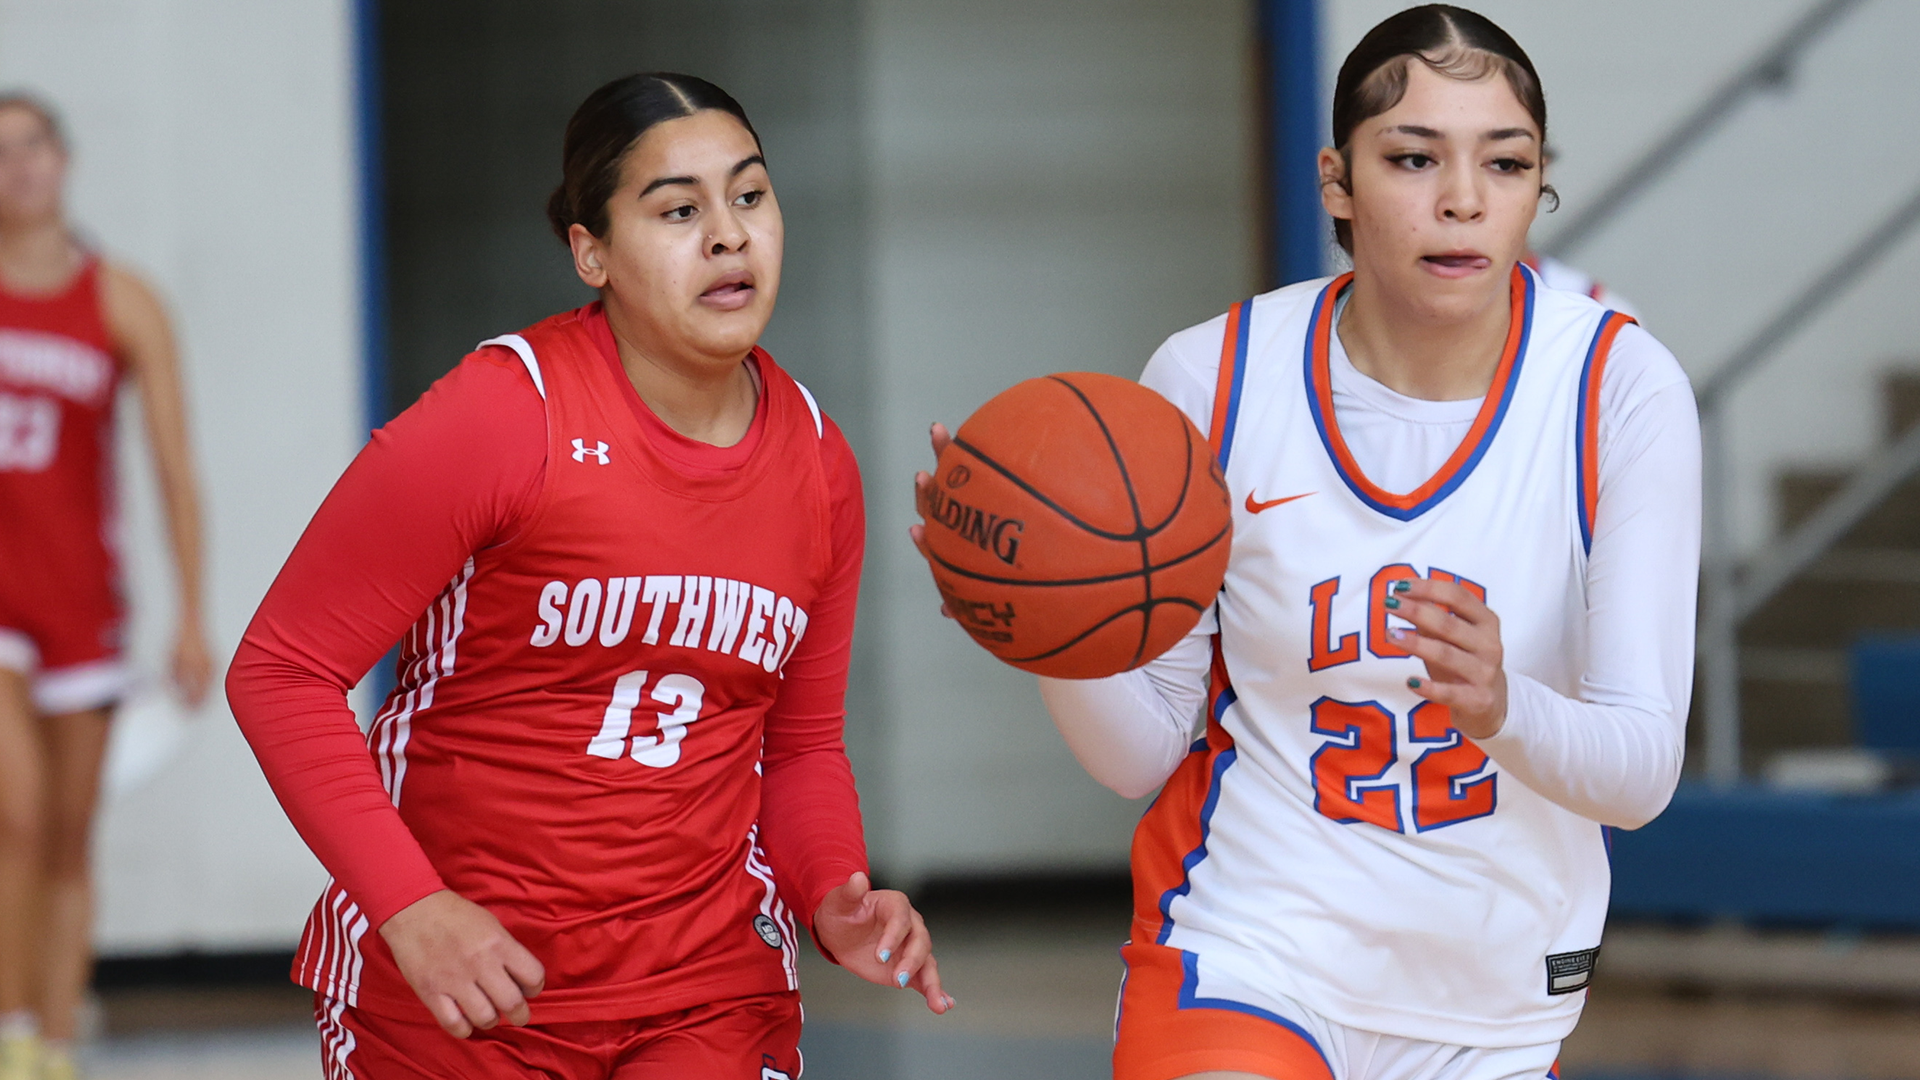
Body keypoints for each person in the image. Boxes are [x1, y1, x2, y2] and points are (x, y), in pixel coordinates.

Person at [921, 7, 1699, 1080]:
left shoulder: (1621, 389)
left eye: (1505, 162)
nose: (1463, 198)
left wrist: (1503, 706)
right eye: (1413, 157)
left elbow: (1642, 771)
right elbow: (1141, 752)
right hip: (1248, 951)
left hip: (1495, 993)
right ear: (1337, 181)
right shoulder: (1216, 378)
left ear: (1538, 184)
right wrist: (1044, 621)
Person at [227, 73, 948, 1079]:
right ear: (591, 252)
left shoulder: (821, 464)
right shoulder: (503, 415)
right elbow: (280, 673)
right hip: (466, 990)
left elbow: (799, 746)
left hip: (704, 992)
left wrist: (834, 892)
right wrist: (413, 908)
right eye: (679, 210)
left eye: (749, 196)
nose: (730, 236)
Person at [0, 94, 212, 1080]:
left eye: (31, 146)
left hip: (82, 598)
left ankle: (52, 1042)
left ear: (65, 159)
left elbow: (174, 468)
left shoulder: (121, 300)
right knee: (17, 814)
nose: (17, 167)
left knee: (71, 841)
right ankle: (7, 1033)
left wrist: (194, 616)